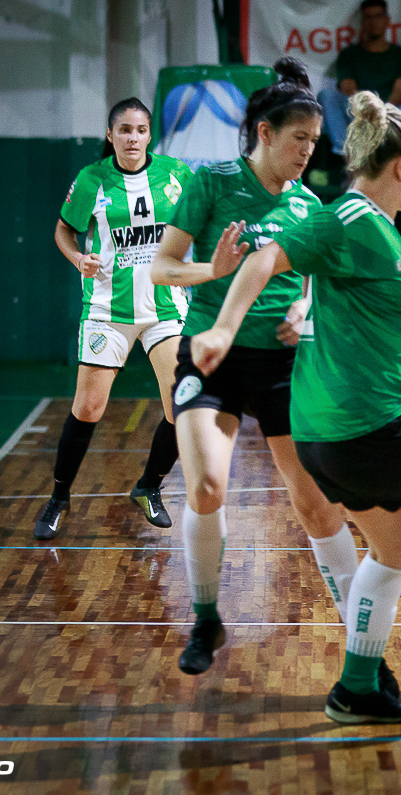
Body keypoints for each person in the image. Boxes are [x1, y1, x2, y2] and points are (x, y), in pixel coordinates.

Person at [191, 91, 401, 725]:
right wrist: (225, 329)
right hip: (376, 424)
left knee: (398, 544)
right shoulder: (349, 219)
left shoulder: (375, 230)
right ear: (399, 166)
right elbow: (265, 258)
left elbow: (388, 319)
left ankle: (356, 688)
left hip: (334, 435)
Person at [150, 59, 366, 682]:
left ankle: (362, 634)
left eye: (315, 143)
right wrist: (213, 273)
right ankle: (206, 615)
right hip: (211, 357)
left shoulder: (309, 204)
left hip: (283, 364)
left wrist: (303, 307)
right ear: (265, 134)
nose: (307, 152)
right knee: (206, 488)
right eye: (299, 139)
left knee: (317, 505)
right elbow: (163, 268)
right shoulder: (212, 183)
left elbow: (325, 282)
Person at [32, 98, 194, 540]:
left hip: (165, 309)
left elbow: (202, 218)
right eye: (124, 130)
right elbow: (64, 230)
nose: (133, 138)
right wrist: (76, 258)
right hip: (108, 310)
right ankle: (58, 499)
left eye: (140, 130)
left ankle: (149, 487)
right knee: (88, 408)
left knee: (183, 404)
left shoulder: (176, 175)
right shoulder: (91, 180)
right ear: (110, 135)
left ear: (149, 135)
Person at [319, 0, 401, 156]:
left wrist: (381, 115)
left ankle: (389, 150)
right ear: (363, 23)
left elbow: (400, 92)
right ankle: (348, 155)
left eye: (378, 16)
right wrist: (368, 113)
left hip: (390, 114)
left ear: (387, 21)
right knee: (327, 96)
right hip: (358, 114)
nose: (374, 22)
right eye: (368, 17)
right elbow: (348, 88)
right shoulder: (349, 54)